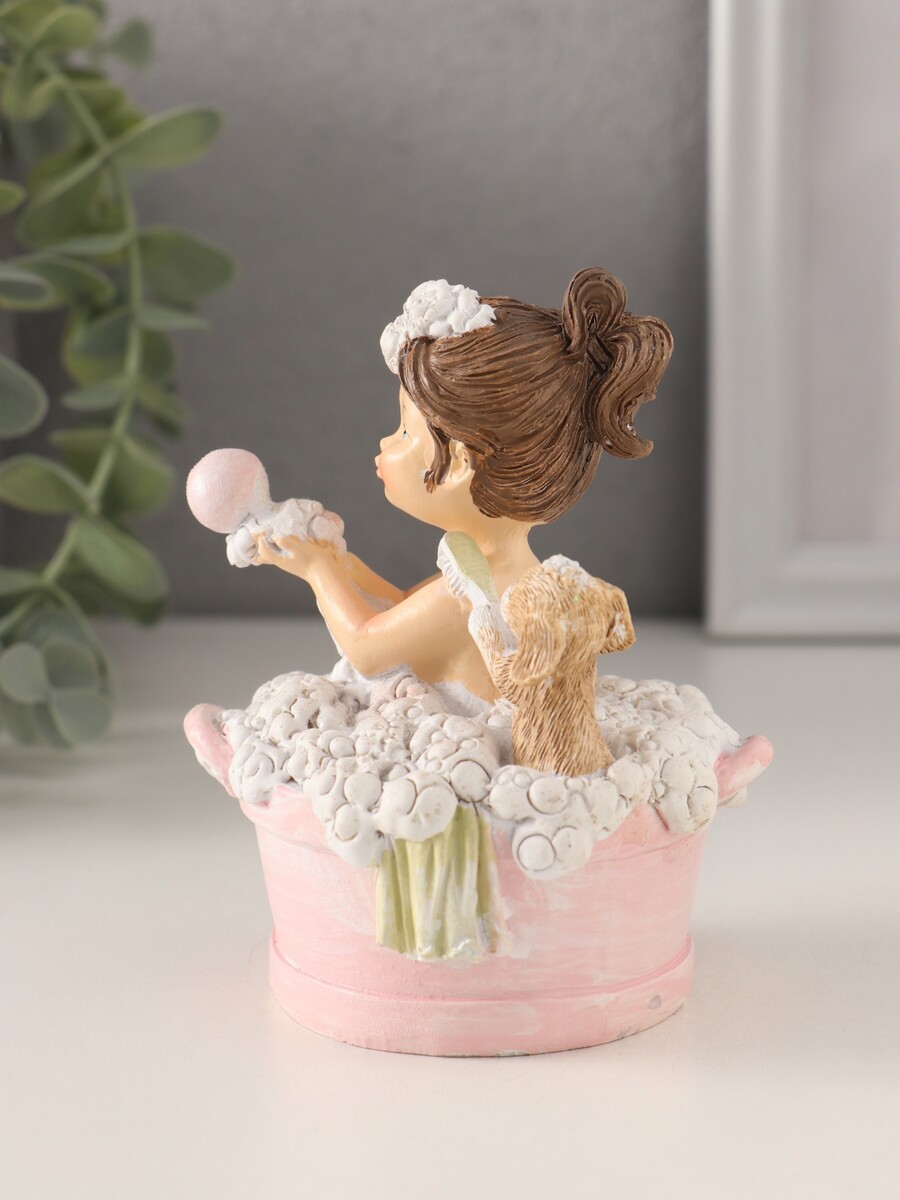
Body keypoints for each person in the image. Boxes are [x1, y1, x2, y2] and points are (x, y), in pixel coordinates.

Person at [253, 268, 672, 700]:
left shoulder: (479, 591)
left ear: (458, 462)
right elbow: (400, 604)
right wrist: (339, 562)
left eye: (404, 432)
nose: (385, 443)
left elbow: (366, 648)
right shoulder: (496, 565)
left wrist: (317, 571)